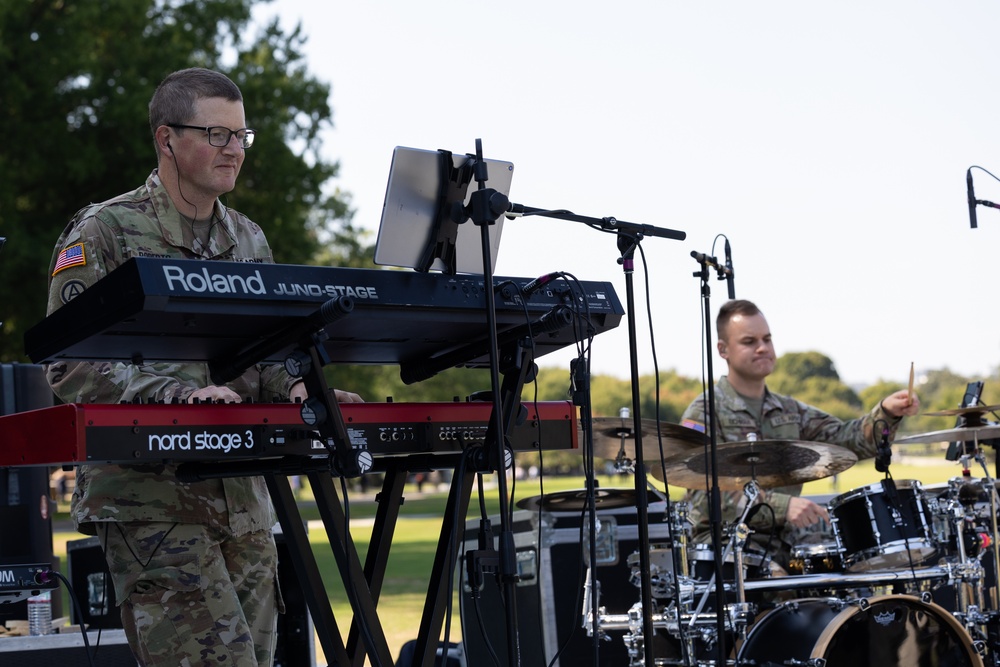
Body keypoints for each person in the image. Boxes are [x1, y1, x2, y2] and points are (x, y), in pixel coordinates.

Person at [44, 67, 361, 666]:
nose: (234, 149)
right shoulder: (104, 231)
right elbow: (69, 363)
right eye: (217, 134)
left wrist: (302, 387)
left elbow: (266, 353)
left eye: (242, 136)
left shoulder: (249, 240)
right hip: (151, 503)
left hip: (243, 497)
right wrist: (168, 396)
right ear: (167, 140)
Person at [678, 299, 919, 574]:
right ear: (723, 350)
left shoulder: (790, 411)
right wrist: (783, 506)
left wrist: (886, 413)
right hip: (727, 551)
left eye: (767, 339)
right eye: (749, 341)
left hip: (787, 543)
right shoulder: (704, 413)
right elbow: (703, 493)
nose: (763, 348)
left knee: (859, 567)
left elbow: (846, 440)